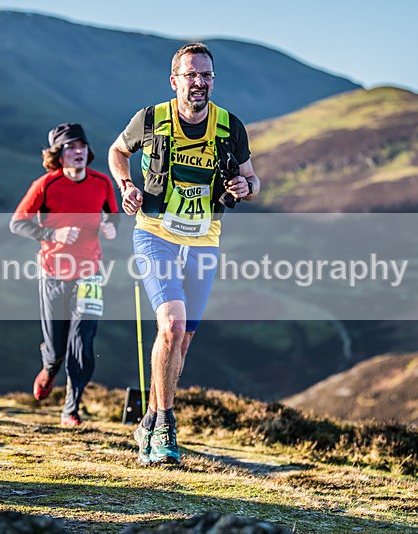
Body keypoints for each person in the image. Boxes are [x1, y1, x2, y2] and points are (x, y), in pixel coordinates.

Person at [108, 43, 260, 464]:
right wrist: (126, 186)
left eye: (206, 75)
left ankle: (150, 420)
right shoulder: (151, 119)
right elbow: (117, 151)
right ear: (174, 80)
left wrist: (246, 188)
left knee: (184, 340)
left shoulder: (230, 127)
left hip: (204, 237)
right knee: (171, 325)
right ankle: (166, 430)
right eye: (191, 75)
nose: (199, 82)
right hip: (155, 232)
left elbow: (253, 180)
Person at [10, 123, 119, 427]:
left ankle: (71, 409)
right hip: (53, 273)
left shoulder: (101, 182)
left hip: (90, 272)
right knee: (58, 348)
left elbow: (113, 216)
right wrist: (52, 232)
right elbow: (18, 223)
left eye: (82, 146)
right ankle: (49, 367)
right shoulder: (46, 185)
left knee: (83, 342)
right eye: (71, 147)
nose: (78, 152)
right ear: (58, 154)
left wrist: (111, 227)